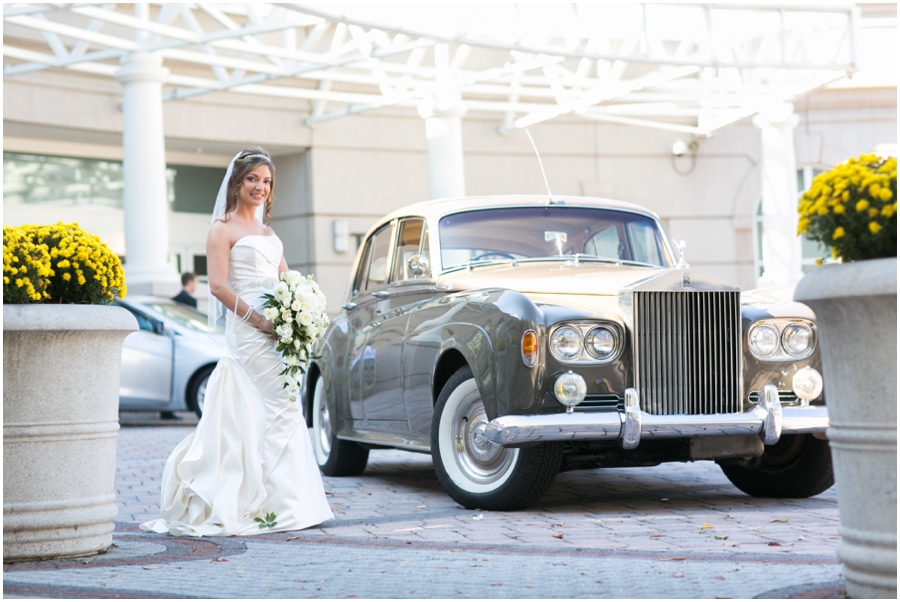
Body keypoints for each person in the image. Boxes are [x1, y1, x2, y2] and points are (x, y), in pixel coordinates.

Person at [141, 147, 333, 536]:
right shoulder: (222, 229)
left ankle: (291, 504)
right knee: (261, 407)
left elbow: (287, 282)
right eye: (253, 179)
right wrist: (259, 320)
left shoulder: (269, 234)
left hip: (279, 334)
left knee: (284, 406)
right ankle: (255, 504)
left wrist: (300, 315)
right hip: (249, 333)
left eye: (266, 181)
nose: (260, 187)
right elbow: (217, 286)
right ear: (237, 182)